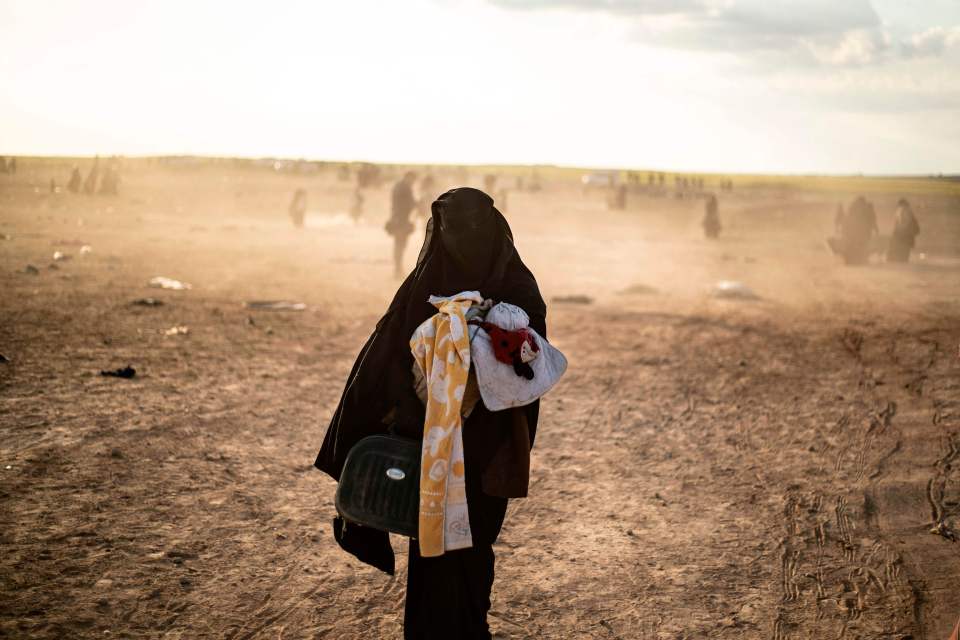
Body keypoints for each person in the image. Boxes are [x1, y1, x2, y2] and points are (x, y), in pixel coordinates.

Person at [315, 187, 546, 640]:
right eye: (456, 226)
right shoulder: (424, 286)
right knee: (434, 543)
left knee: (474, 542)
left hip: (488, 440)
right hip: (432, 442)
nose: (466, 237)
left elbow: (532, 359)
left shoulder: (516, 285)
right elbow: (387, 361)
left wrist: (486, 339)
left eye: (475, 226)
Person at [386, 171, 419, 278]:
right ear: (409, 177)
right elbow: (410, 203)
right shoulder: (405, 187)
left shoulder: (398, 186)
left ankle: (397, 269)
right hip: (402, 220)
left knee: (398, 245)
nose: (413, 183)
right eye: (413, 180)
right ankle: (398, 270)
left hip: (397, 219)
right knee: (401, 245)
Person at [835, 195, 878, 265]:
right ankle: (858, 257)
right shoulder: (864, 209)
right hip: (858, 235)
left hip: (857, 235)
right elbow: (872, 221)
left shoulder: (855, 209)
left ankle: (856, 257)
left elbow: (871, 221)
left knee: (857, 247)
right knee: (859, 247)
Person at [886, 198, 920, 263]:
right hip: (906, 234)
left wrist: (898, 231)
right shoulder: (907, 210)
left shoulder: (903, 210)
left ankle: (900, 260)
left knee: (901, 248)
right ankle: (902, 260)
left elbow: (903, 223)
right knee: (904, 249)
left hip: (903, 234)